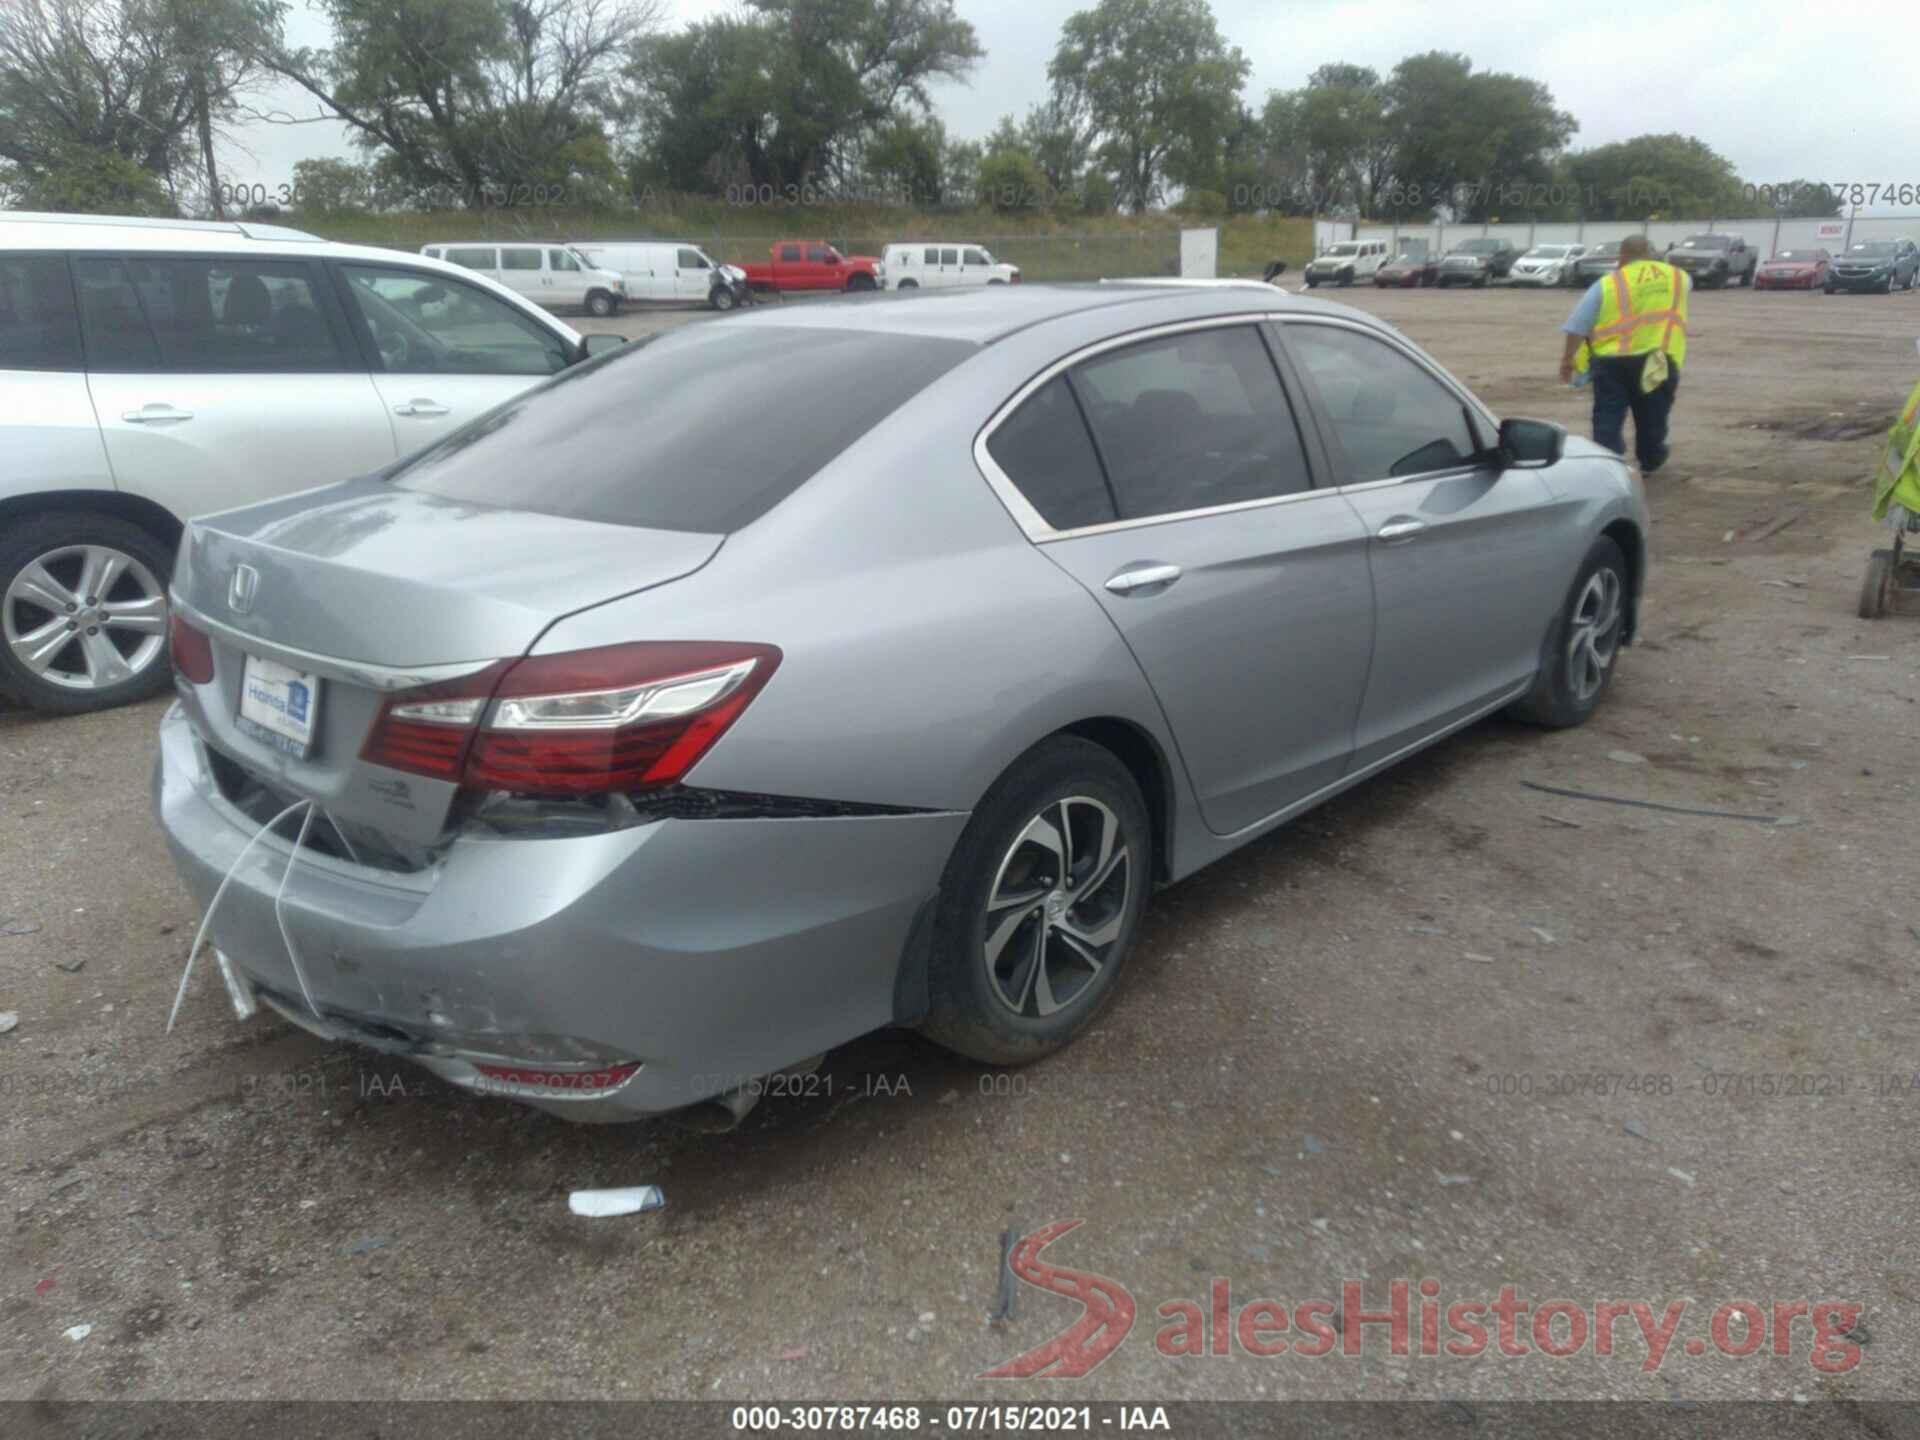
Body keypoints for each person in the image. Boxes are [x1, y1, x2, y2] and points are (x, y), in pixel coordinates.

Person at [1559, 234, 1689, 474]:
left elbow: (1577, 325)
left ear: (1622, 256)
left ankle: (1608, 463)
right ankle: (1651, 460)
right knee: (1653, 413)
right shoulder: (1678, 277)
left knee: (1608, 414)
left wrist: (1568, 360)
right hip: (1657, 359)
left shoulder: (1608, 283)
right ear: (1650, 253)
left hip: (1611, 362)